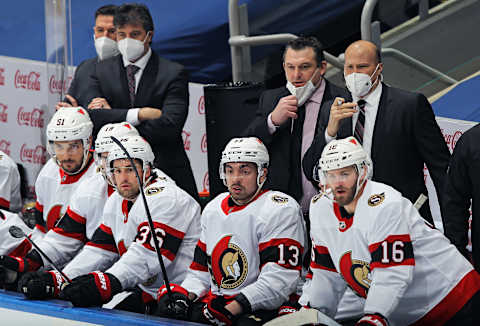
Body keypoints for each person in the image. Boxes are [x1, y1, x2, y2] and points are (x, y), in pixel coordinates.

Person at [301, 137, 480, 325]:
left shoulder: (385, 204)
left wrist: (375, 315)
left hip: (454, 300)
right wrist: (314, 313)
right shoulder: (320, 207)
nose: (337, 183)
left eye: (344, 174)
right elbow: (325, 271)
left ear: (363, 172)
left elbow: (392, 272)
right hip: (407, 315)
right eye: (331, 175)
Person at [25, 135, 200, 315]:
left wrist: (107, 282)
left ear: (147, 169)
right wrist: (60, 279)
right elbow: (99, 250)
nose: (123, 178)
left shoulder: (167, 198)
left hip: (184, 295)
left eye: (130, 169)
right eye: (117, 171)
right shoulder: (117, 200)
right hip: (149, 293)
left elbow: (145, 257)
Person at [156, 137, 306, 325]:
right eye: (230, 170)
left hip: (267, 306)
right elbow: (200, 273)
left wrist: (231, 310)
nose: (235, 178)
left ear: (262, 173)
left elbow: (279, 283)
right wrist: (184, 296)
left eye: (245, 171)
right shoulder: (213, 208)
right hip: (221, 303)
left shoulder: (280, 209)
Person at [302, 40, 450, 225]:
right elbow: (310, 169)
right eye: (350, 68)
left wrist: (453, 232)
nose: (355, 74)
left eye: (362, 67)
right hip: (351, 222)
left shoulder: (409, 106)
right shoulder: (332, 109)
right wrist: (329, 133)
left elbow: (441, 170)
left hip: (405, 217)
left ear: (378, 68)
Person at [84, 3, 198, 200]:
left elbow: (170, 125)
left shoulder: (172, 73)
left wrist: (115, 120)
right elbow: (93, 118)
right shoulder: (102, 70)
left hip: (165, 171)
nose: (127, 41)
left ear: (149, 36)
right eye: (121, 35)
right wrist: (140, 114)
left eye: (135, 34)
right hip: (116, 178)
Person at [244, 36, 348, 215]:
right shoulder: (270, 99)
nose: (296, 75)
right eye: (290, 67)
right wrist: (272, 121)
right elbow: (245, 147)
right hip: (281, 212)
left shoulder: (343, 100)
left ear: (322, 68)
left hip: (332, 210)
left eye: (304, 67)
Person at [0, 107, 97, 287]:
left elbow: (101, 248)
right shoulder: (48, 172)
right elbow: (41, 230)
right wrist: (31, 263)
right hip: (50, 262)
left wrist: (59, 277)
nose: (65, 156)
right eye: (59, 146)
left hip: (90, 271)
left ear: (88, 142)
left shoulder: (100, 179)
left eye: (73, 146)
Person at [56, 5, 119, 109]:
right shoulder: (85, 67)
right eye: (100, 30)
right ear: (94, 32)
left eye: (112, 31)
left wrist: (109, 113)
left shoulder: (131, 72)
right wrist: (69, 112)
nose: (105, 36)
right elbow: (68, 103)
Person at [443, 124, 480, 272]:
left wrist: (457, 249)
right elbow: (454, 201)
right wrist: (457, 249)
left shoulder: (471, 140)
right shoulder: (471, 141)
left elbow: (454, 201)